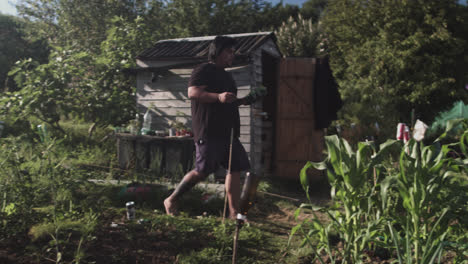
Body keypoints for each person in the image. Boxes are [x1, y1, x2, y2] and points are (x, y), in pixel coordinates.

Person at [164, 35, 254, 219]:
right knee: (203, 170)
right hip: (209, 130)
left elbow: (227, 101)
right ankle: (171, 199)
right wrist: (218, 97)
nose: (232, 56)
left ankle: (233, 213)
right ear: (217, 52)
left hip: (229, 132)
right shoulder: (203, 69)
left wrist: (244, 100)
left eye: (233, 53)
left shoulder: (228, 76)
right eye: (229, 52)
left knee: (235, 167)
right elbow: (193, 92)